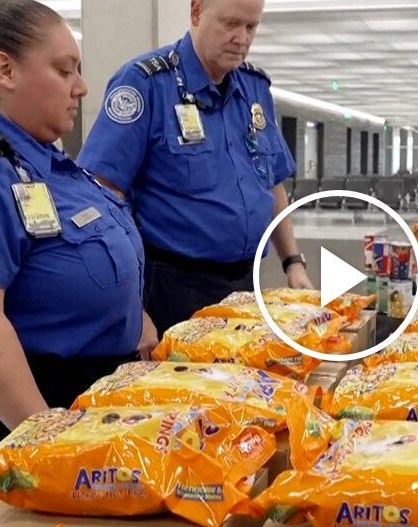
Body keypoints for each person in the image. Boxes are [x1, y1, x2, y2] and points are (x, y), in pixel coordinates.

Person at [0, 0, 152, 500]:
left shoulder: (43, 156)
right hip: (4, 406)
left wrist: (135, 318)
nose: (81, 87)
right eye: (65, 70)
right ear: (5, 69)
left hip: (77, 393)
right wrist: (46, 436)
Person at [78, 0, 312, 336]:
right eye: (231, 24)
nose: (242, 38)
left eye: (251, 27)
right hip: (171, 288)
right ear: (197, 12)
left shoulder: (254, 88)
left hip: (244, 284)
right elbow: (104, 195)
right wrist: (131, 305)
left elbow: (271, 182)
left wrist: (293, 261)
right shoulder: (146, 84)